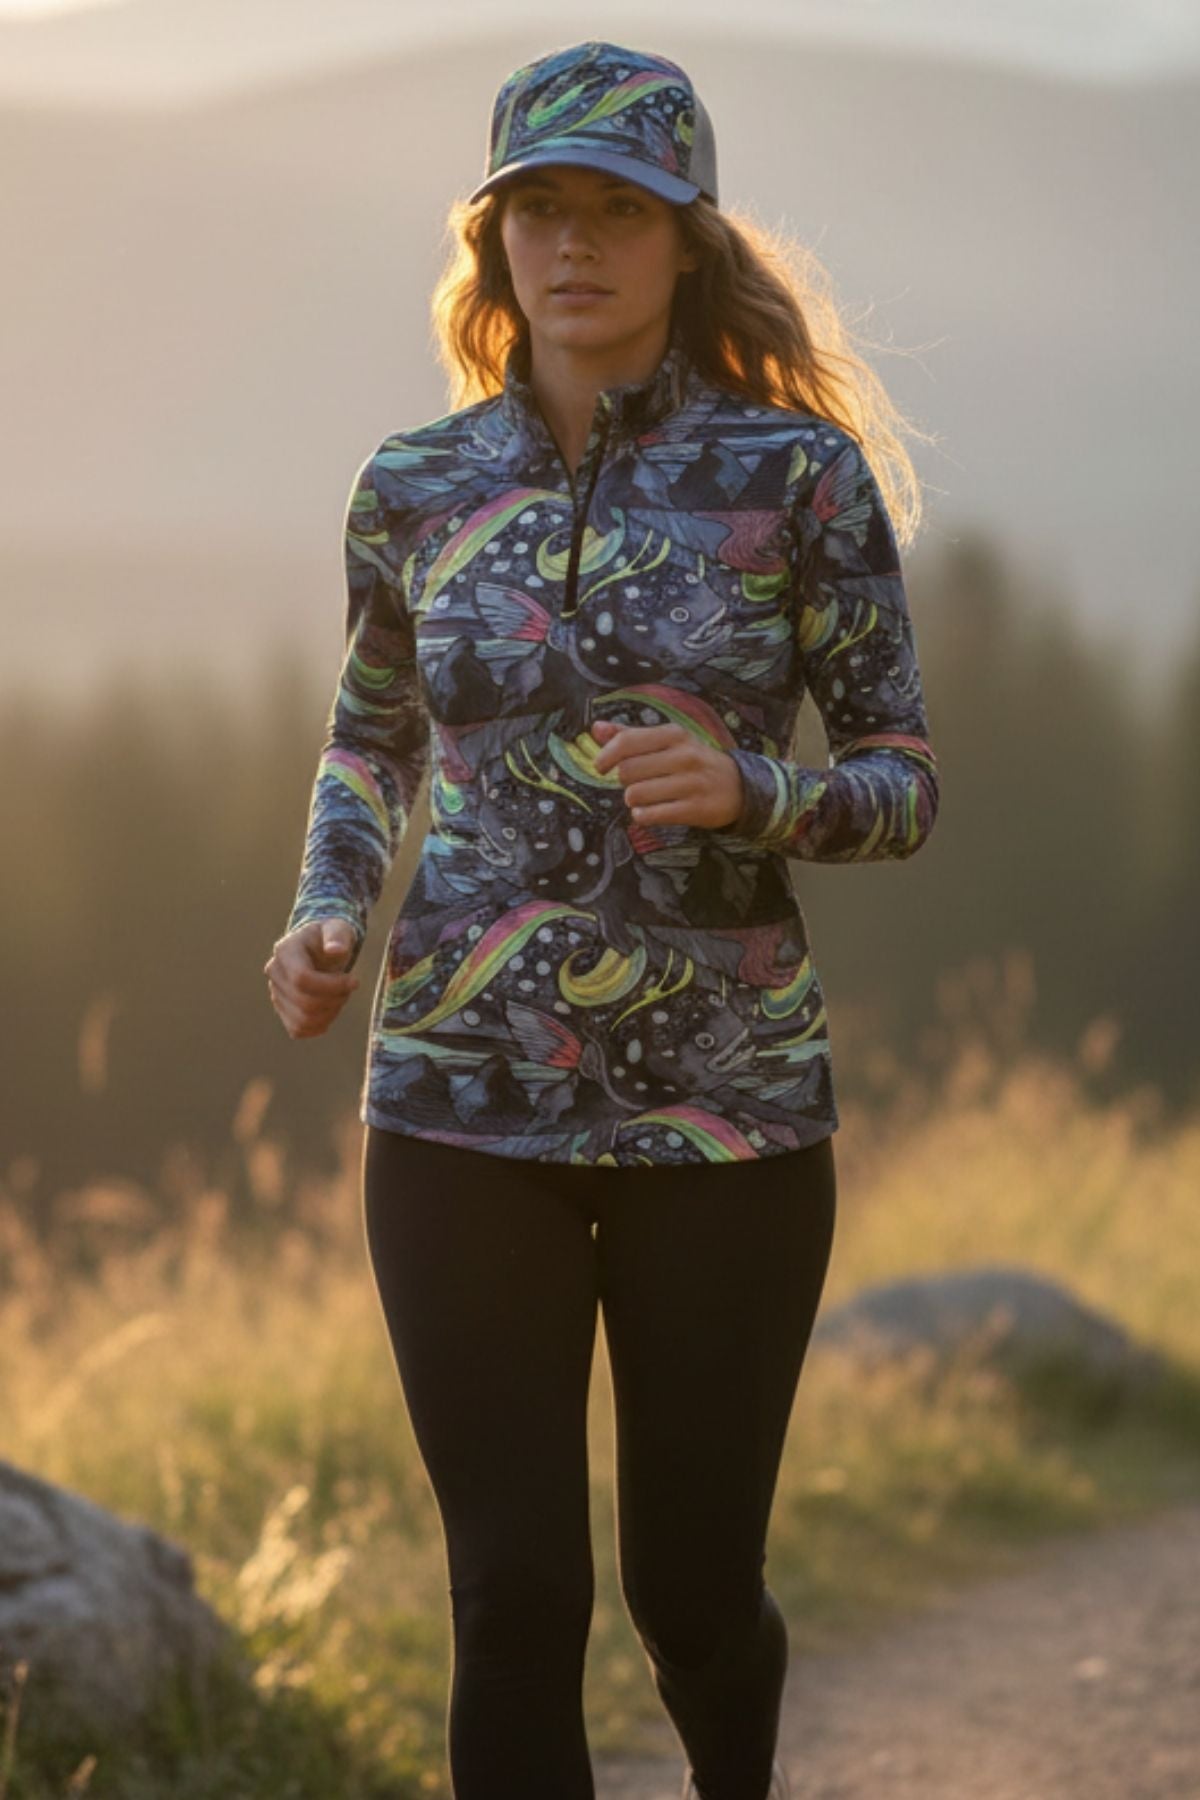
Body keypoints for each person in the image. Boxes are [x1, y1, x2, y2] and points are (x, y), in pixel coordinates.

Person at [264, 38, 939, 1800]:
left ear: (687, 235)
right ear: (492, 238)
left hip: (728, 1112)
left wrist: (752, 790)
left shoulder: (798, 480)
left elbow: (902, 778)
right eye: (539, 208)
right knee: (511, 1598)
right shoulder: (413, 483)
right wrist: (326, 911)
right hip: (455, 1102)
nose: (575, 244)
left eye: (618, 211)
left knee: (691, 1597)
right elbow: (371, 738)